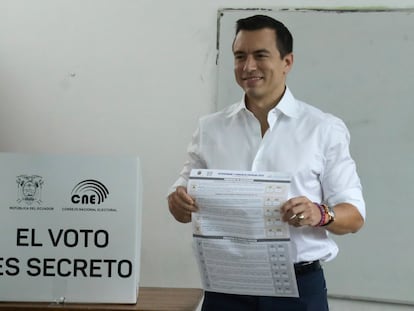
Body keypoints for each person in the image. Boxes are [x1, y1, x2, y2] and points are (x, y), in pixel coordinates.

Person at [168, 14, 365, 311]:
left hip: (298, 289)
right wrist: (177, 202)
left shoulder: (323, 128)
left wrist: (319, 213)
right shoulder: (210, 128)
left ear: (287, 62)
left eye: (260, 55)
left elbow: (354, 216)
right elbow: (179, 203)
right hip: (226, 288)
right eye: (240, 56)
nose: (248, 67)